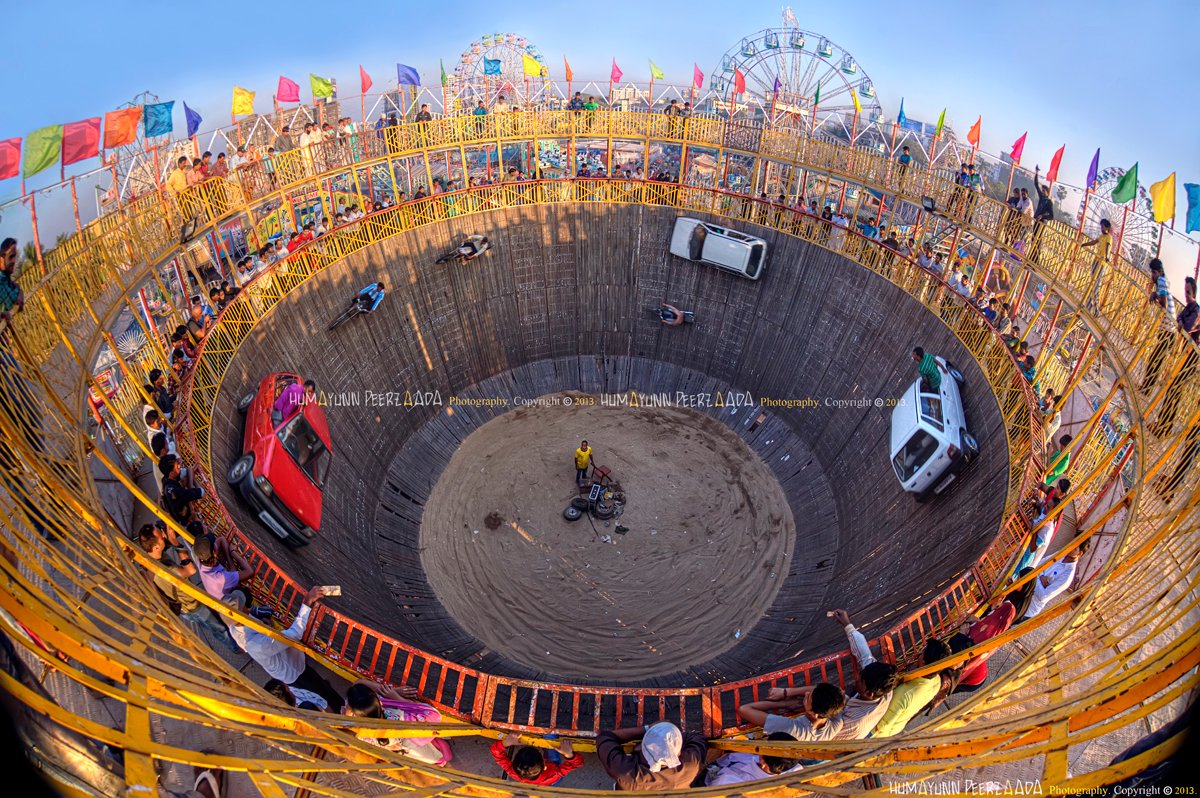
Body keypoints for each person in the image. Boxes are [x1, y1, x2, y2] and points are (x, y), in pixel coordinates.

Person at [225, 586, 345, 713]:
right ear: (242, 611)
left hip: (291, 666)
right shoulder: (256, 644)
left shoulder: (235, 628)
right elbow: (295, 633)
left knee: (321, 688)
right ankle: (345, 715)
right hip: (296, 674)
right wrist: (307, 602)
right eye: (244, 605)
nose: (247, 606)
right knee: (326, 697)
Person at [948, 580, 1035, 693]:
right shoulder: (996, 631)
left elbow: (963, 656)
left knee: (951, 688)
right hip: (972, 670)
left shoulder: (985, 637)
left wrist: (962, 635)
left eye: (998, 607)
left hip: (972, 679)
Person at [828, 609, 900, 738]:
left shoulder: (852, 723)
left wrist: (846, 698)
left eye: (860, 681)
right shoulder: (883, 687)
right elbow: (864, 654)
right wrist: (847, 624)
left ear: (868, 693)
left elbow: (826, 734)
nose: (856, 678)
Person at [343, 680, 451, 764]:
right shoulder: (392, 713)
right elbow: (430, 714)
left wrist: (395, 693)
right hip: (405, 738)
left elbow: (358, 683)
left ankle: (436, 748)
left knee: (437, 757)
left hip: (403, 739)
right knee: (439, 757)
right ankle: (436, 747)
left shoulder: (364, 729)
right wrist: (395, 695)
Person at [870, 639, 953, 737]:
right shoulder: (937, 681)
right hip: (898, 726)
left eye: (922, 653)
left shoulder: (903, 694)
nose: (920, 654)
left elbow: (881, 727)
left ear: (923, 662)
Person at [595, 721, 707, 791]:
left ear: (640, 748)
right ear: (680, 752)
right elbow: (697, 737)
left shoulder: (626, 772)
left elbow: (605, 737)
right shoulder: (692, 765)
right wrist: (669, 738)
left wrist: (647, 729)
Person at [735, 681, 847, 741]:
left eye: (808, 697)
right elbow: (829, 694)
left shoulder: (793, 729)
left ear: (814, 713)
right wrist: (786, 692)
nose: (806, 693)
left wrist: (783, 703)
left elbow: (744, 710)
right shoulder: (836, 722)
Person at [703, 731, 803, 786]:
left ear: (763, 762)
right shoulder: (794, 768)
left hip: (709, 772)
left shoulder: (728, 780)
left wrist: (708, 763)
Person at [1139, 259, 1177, 396]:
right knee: (1156, 360)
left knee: (1155, 360)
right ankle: (1146, 389)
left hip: (1168, 329)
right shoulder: (1163, 281)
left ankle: (1146, 389)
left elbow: (1164, 304)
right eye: (1152, 273)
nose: (1152, 276)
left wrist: (1154, 295)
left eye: (1154, 272)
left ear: (1159, 272)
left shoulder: (1161, 281)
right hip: (1169, 329)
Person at [1020, 545, 1084, 621]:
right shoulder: (1059, 555)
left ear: (1080, 553)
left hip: (1027, 608)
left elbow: (1043, 596)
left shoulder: (1068, 574)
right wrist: (1041, 577)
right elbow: (1036, 566)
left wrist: (1036, 576)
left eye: (1075, 548)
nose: (1070, 547)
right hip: (1020, 592)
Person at [491, 732, 582, 785]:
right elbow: (578, 763)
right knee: (550, 737)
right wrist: (569, 755)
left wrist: (506, 743)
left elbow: (496, 752)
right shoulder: (555, 773)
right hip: (552, 781)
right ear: (545, 765)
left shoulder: (513, 772)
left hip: (542, 781)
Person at [193, 534, 255, 603]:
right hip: (228, 603)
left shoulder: (199, 559)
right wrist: (232, 552)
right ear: (214, 552)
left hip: (217, 588)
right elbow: (250, 572)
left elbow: (221, 539)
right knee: (246, 592)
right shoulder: (222, 578)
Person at [159, 453, 203, 525]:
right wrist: (193, 484)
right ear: (171, 472)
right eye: (177, 466)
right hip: (187, 523)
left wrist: (190, 485)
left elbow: (188, 470)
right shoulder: (175, 491)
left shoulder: (166, 480)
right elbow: (200, 492)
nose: (179, 466)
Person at [1079, 219, 1112, 310]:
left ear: (1108, 228)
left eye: (1103, 227)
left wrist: (1107, 257)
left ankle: (1096, 309)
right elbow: (1094, 242)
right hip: (1096, 261)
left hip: (1101, 264)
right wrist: (1085, 244)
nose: (1101, 228)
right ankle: (1089, 305)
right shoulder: (1101, 236)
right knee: (1092, 283)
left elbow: (1107, 246)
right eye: (1101, 226)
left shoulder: (1109, 237)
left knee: (1096, 285)